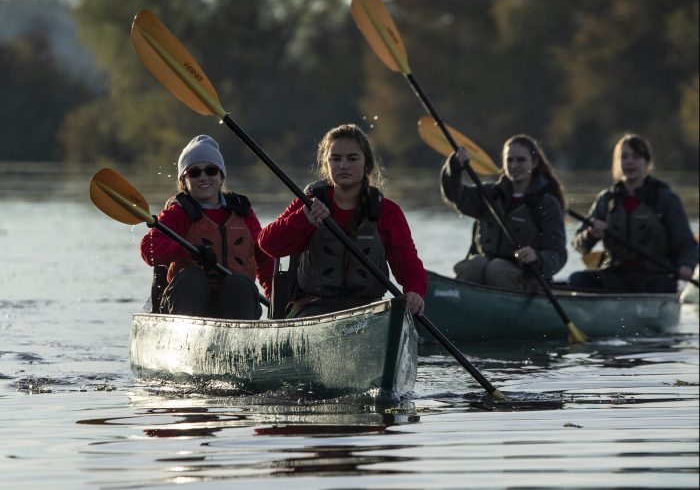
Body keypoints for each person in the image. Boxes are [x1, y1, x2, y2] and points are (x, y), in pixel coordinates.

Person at [258, 124, 427, 318]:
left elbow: (407, 262)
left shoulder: (388, 211)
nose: (343, 165)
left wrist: (414, 291)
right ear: (326, 163)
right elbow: (267, 244)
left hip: (368, 311)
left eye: (352, 158)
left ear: (367, 164)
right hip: (313, 309)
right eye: (335, 158)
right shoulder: (308, 204)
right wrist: (302, 218)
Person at [140, 135, 273, 319]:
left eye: (210, 170)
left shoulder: (242, 213)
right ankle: (184, 338)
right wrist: (188, 252)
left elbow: (265, 258)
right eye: (194, 172)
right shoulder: (178, 213)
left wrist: (276, 298)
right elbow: (148, 249)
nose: (204, 177)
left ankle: (241, 337)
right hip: (187, 304)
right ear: (183, 181)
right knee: (192, 278)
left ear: (220, 177)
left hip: (235, 304)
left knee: (239, 283)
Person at [569, 134, 698, 293]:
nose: (629, 161)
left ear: (647, 162)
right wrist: (591, 235)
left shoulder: (666, 199)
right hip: (614, 274)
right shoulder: (606, 199)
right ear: (617, 163)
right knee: (577, 280)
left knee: (660, 287)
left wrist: (686, 265)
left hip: (654, 277)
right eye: (624, 157)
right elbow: (579, 245)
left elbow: (687, 243)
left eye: (636, 157)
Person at [440, 134, 567, 292]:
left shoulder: (546, 204)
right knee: (475, 264)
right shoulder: (489, 194)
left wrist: (537, 257)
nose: (514, 165)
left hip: (525, 279)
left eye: (521, 160)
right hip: (484, 267)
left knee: (497, 268)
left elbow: (557, 253)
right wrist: (455, 166)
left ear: (534, 163)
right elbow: (455, 196)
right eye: (509, 160)